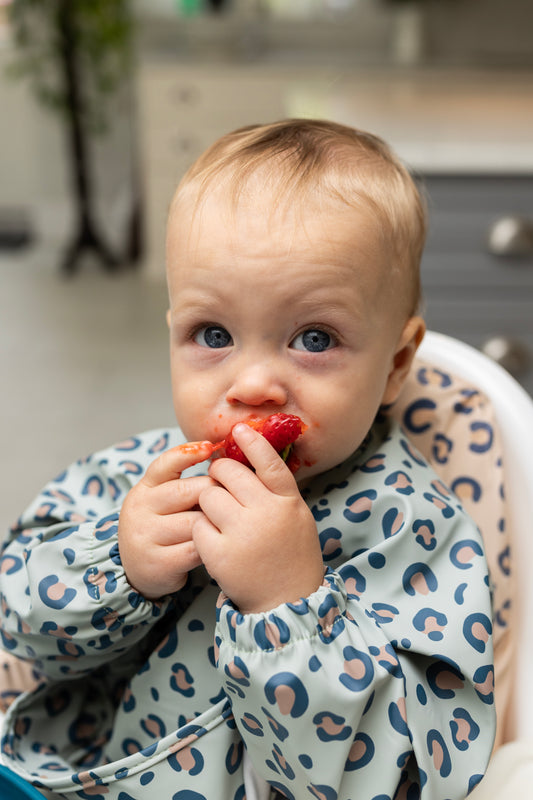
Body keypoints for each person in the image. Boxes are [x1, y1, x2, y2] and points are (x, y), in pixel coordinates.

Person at [0, 119, 495, 799]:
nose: (254, 383)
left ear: (395, 364)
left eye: (313, 337)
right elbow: (20, 635)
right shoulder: (136, 479)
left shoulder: (413, 530)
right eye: (213, 334)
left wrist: (288, 608)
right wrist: (119, 564)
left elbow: (411, 777)